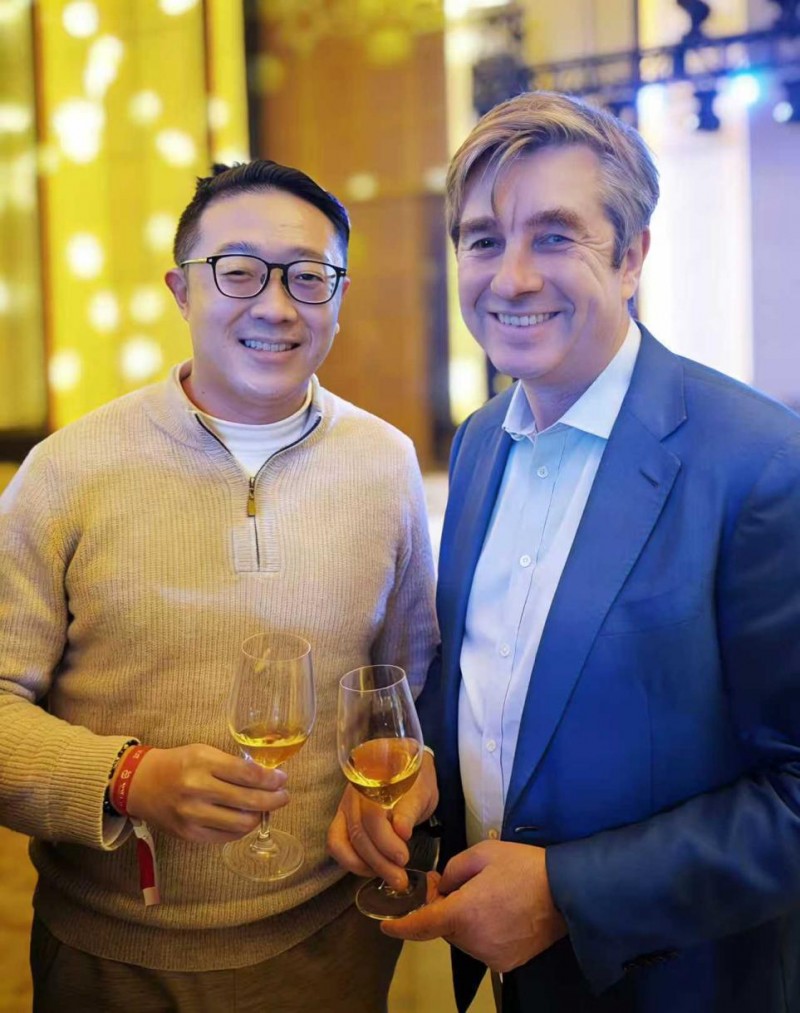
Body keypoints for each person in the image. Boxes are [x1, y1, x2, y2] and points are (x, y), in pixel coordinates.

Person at [328, 90, 800, 1012]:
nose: (510, 279)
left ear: (631, 257)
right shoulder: (480, 441)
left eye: (554, 236)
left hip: (687, 983)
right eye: (482, 240)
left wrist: (567, 893)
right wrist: (425, 779)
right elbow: (501, 681)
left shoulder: (760, 461)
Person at [0, 159, 437, 1011]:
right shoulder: (66, 472)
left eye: (308, 276)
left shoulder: (385, 465)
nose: (275, 305)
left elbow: (409, 685)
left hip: (328, 944)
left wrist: (398, 776)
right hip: (113, 955)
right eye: (238, 271)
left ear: (339, 297)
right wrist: (125, 778)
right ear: (181, 289)